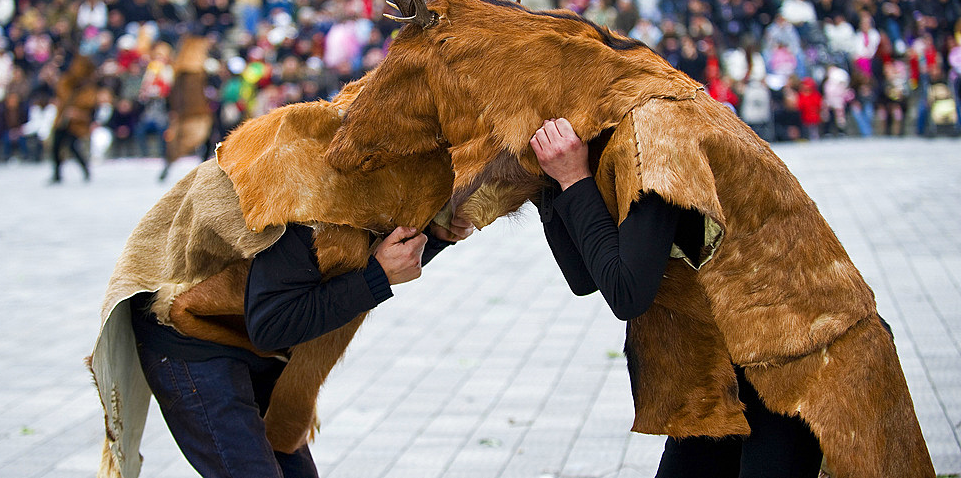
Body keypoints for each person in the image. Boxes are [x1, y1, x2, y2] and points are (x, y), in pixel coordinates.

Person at [529, 117, 823, 478]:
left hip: (791, 354)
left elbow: (626, 293)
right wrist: (548, 178)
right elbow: (585, 277)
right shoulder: (605, 133)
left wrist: (573, 178)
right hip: (719, 366)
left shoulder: (655, 132)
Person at [131, 216, 474, 478]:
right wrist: (377, 276)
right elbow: (272, 326)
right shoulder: (307, 189)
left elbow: (354, 266)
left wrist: (434, 237)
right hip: (190, 333)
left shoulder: (379, 178)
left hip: (258, 335)